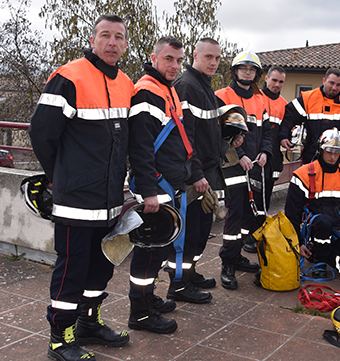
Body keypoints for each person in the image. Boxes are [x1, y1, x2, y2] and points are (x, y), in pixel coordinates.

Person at [29, 14, 132, 361]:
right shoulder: (68, 76)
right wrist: (59, 176)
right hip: (75, 198)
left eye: (119, 37)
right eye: (105, 35)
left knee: (101, 266)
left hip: (110, 199)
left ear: (126, 44)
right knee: (72, 267)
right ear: (93, 40)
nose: (112, 43)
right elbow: (42, 134)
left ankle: (88, 322)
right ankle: (60, 338)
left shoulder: (126, 83)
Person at [127, 36, 204, 335]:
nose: (174, 65)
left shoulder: (165, 90)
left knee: (159, 250)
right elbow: (141, 147)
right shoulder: (148, 92)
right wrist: (149, 190)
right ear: (154, 57)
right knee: (148, 251)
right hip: (155, 185)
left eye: (178, 60)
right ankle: (140, 313)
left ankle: (147, 299)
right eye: (168, 59)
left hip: (167, 182)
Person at [168, 38, 228, 300]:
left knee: (201, 231)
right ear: (195, 55)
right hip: (194, 178)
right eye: (208, 57)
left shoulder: (206, 89)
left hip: (206, 175)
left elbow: (207, 136)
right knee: (187, 234)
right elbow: (185, 137)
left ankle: (190, 274)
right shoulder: (186, 86)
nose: (213, 62)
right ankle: (178, 285)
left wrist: (228, 142)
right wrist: (197, 176)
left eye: (217, 58)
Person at [215, 50, 271, 289]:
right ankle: (227, 262)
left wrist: (265, 152)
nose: (247, 72)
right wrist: (240, 155)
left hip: (255, 166)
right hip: (232, 166)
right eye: (243, 68)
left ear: (256, 74)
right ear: (235, 71)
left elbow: (267, 132)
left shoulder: (261, 99)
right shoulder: (221, 96)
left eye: (252, 69)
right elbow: (220, 134)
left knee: (251, 215)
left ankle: (237, 256)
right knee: (235, 213)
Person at [284, 128, 340, 278]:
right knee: (324, 221)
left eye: (337, 152)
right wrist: (298, 243)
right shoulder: (303, 175)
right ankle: (318, 260)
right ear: (320, 149)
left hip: (335, 232)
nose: (333, 157)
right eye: (329, 151)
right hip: (310, 230)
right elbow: (291, 213)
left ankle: (325, 254)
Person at [244, 66, 288, 253]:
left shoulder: (285, 104)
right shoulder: (255, 98)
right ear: (267, 78)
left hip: (272, 159)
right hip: (253, 156)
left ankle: (259, 233)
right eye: (274, 80)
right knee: (249, 198)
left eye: (281, 82)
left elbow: (283, 131)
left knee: (265, 198)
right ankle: (247, 236)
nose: (277, 85)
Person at [279, 68, 340, 164]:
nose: (334, 88)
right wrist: (283, 136)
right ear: (324, 80)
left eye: (338, 85)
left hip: (336, 161)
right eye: (331, 83)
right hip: (311, 158)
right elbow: (289, 117)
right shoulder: (307, 99)